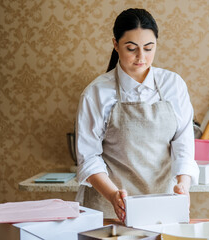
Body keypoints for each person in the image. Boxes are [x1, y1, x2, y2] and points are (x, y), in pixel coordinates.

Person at [75, 8, 199, 221]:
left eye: (149, 48)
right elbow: (88, 157)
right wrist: (114, 196)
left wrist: (183, 184)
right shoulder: (96, 92)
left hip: (161, 204)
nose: (142, 57)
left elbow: (183, 143)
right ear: (115, 44)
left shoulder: (173, 85)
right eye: (132, 48)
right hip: (108, 207)